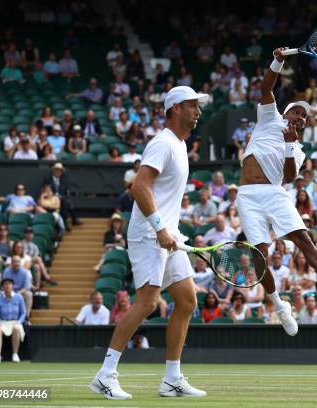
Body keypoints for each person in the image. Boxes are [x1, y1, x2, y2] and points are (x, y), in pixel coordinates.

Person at [90, 86, 209, 400]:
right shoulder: (163, 143)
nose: (198, 111)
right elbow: (139, 188)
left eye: (199, 106)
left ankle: (172, 379)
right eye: (193, 106)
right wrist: (159, 228)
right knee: (147, 302)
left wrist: (169, 230)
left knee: (185, 301)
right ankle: (105, 374)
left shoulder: (181, 146)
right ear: (175, 108)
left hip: (169, 233)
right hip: (148, 233)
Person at [236, 48, 317, 337]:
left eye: (304, 116)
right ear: (285, 112)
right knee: (260, 255)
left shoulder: (298, 150)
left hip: (274, 193)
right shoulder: (268, 118)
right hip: (247, 195)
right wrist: (277, 60)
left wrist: (290, 145)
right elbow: (266, 86)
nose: (300, 116)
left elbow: (289, 177)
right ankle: (278, 305)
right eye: (296, 111)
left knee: (300, 235)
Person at [0, 278, 26, 363]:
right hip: (2, 321)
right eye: (5, 284)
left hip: (15, 321)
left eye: (10, 284)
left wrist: (19, 322)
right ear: (2, 287)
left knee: (16, 328)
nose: (8, 286)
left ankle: (15, 354)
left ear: (12, 286)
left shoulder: (19, 297)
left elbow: (23, 313)